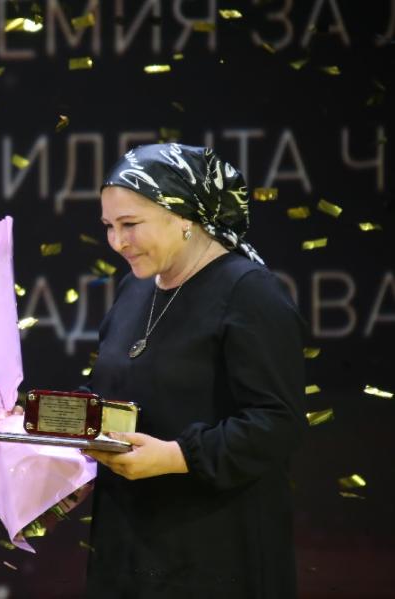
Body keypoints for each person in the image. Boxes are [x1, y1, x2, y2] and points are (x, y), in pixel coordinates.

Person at [81, 143, 307, 598]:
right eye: (108, 226)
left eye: (130, 224)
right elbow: (110, 397)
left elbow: (277, 423)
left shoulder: (249, 291)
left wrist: (176, 456)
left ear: (184, 216)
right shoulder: (133, 290)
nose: (117, 242)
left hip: (215, 554)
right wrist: (34, 435)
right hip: (127, 548)